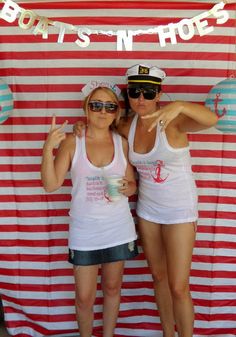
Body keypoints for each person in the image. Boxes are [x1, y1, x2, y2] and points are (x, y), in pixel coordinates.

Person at [74, 64, 218, 337]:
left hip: (179, 211)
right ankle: (167, 333)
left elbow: (211, 119)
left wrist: (181, 105)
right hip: (148, 211)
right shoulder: (127, 124)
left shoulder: (173, 121)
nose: (141, 98)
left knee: (178, 286)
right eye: (135, 91)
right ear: (128, 95)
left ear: (159, 94)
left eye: (149, 92)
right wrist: (82, 124)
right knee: (159, 278)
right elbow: (100, 122)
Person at [41, 83, 139, 337]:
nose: (102, 111)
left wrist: (127, 188)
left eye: (110, 106)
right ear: (86, 109)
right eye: (96, 105)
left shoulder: (122, 143)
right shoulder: (74, 142)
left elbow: (132, 183)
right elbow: (51, 185)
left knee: (112, 289)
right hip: (84, 232)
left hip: (118, 229)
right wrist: (47, 147)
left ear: (117, 113)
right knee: (84, 298)